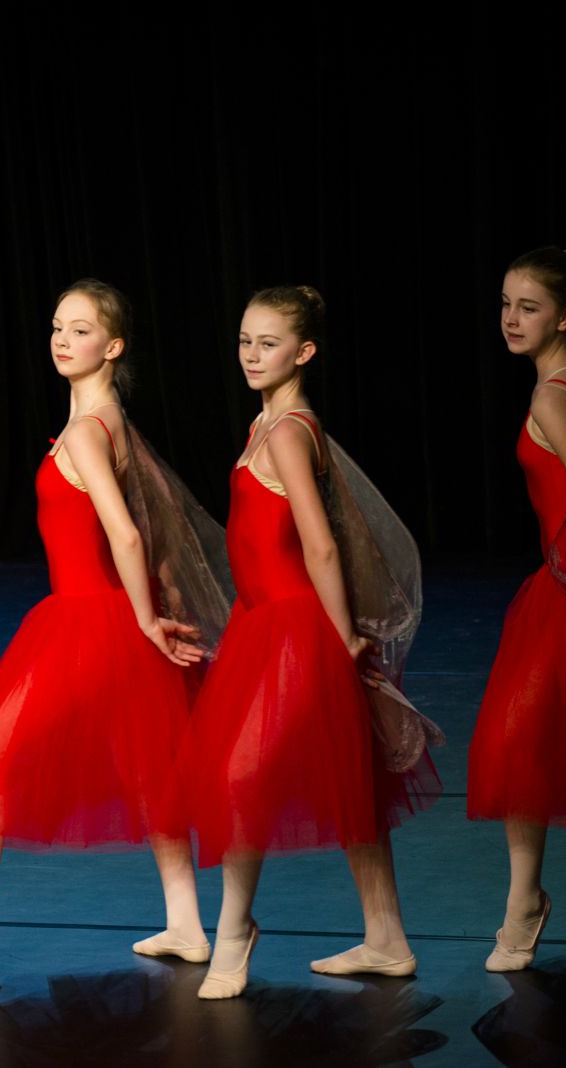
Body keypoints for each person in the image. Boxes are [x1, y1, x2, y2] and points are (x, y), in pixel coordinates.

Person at [0, 280, 230, 988]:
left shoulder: (88, 430)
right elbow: (155, 526)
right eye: (57, 327)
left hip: (90, 618)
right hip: (110, 616)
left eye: (81, 330)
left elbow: (128, 534)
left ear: (113, 346)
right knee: (149, 768)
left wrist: (146, 619)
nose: (62, 340)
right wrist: (150, 609)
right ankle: (187, 924)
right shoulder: (113, 421)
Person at [177, 286, 439, 999]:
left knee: (241, 775)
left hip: (297, 626)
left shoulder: (290, 431)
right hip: (265, 623)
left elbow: (321, 546)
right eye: (245, 341)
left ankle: (235, 929)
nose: (251, 354)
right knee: (348, 775)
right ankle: (386, 938)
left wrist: (340, 635)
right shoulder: (265, 425)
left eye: (268, 343)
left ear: (305, 352)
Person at [468, 246, 566, 971]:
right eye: (506, 304)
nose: (511, 319)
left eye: (529, 307)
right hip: (559, 589)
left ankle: (524, 902)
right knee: (527, 742)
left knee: (519, 742)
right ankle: (523, 901)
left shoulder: (552, 397)